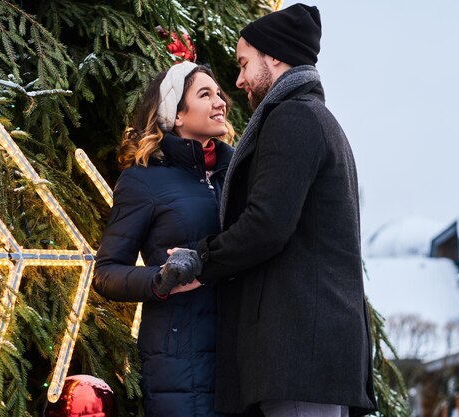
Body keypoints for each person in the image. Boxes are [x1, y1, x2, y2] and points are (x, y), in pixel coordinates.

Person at [161, 4, 377, 417]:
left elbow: (266, 225)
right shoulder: (314, 118)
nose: (238, 80)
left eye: (244, 64)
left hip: (299, 354)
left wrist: (199, 261)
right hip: (307, 356)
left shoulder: (293, 118)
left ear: (274, 57)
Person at [92, 61, 234, 417]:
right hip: (178, 362)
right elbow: (106, 272)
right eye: (205, 94)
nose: (220, 102)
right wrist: (160, 279)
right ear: (178, 116)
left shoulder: (235, 174)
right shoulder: (143, 181)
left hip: (239, 355)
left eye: (218, 93)